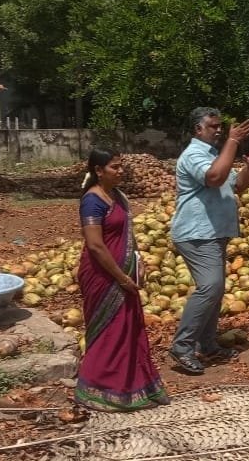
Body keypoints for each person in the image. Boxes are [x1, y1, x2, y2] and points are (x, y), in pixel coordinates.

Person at [169, 107, 249, 374]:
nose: (219, 130)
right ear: (198, 129)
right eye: (213, 126)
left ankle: (207, 343)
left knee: (215, 290)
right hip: (197, 232)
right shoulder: (194, 154)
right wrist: (233, 141)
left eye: (220, 126)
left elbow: (236, 185)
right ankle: (183, 346)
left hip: (214, 232)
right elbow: (214, 178)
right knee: (209, 287)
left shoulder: (213, 154)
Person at [76, 147, 170, 411]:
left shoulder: (117, 196)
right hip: (103, 276)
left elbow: (130, 236)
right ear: (98, 171)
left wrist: (138, 266)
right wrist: (120, 277)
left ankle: (133, 386)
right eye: (114, 167)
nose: (120, 171)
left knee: (128, 330)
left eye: (121, 166)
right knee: (108, 331)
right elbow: (95, 245)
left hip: (124, 275)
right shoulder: (92, 201)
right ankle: (97, 388)